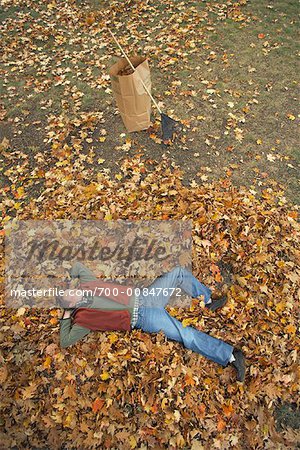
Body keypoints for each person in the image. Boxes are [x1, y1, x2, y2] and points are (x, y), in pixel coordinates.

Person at [58, 262, 245, 381]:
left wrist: (66, 277)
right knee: (186, 334)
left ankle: (209, 300)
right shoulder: (83, 319)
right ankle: (231, 355)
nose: (75, 293)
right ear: (71, 305)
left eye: (72, 290)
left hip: (146, 297)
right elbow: (65, 341)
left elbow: (77, 267)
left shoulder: (88, 285)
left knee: (178, 273)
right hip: (145, 318)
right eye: (70, 297)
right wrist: (66, 315)